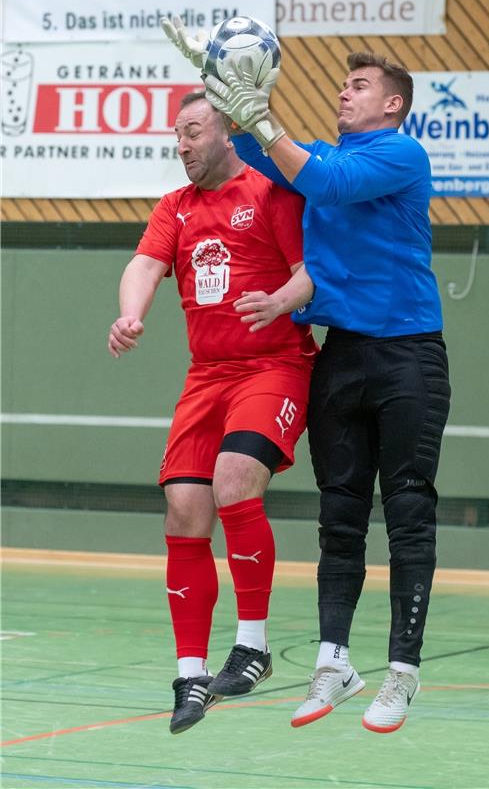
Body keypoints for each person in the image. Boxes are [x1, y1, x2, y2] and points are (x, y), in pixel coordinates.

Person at [162, 19, 451, 734]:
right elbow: (270, 158)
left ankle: (402, 675)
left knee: (407, 514)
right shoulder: (319, 157)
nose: (344, 94)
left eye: (358, 86)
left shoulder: (400, 156)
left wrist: (262, 117)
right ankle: (334, 664)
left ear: (392, 104)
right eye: (344, 86)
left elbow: (322, 178)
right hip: (342, 355)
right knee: (340, 517)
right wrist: (222, 87)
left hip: (409, 354)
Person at [108, 90, 317, 735]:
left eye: (193, 131)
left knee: (232, 481)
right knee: (184, 508)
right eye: (177, 134)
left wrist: (280, 301)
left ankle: (251, 647)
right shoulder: (176, 207)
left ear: (228, 131)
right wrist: (131, 313)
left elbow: (313, 275)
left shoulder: (270, 194)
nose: (183, 144)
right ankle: (191, 673)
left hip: (274, 365)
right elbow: (144, 263)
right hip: (208, 377)